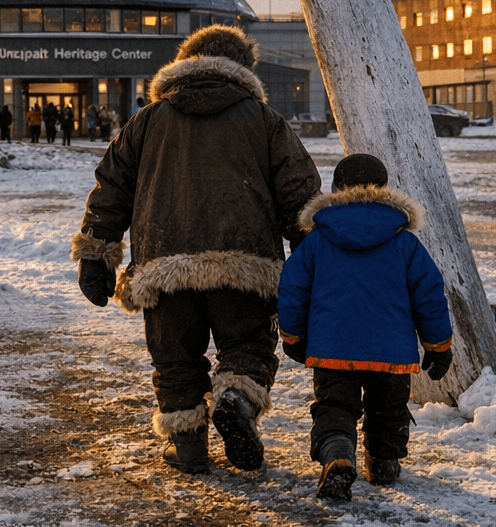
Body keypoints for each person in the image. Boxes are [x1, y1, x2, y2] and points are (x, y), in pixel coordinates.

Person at [71, 25, 321, 475]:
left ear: (185, 62)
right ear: (243, 68)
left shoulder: (146, 121)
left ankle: (187, 445)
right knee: (247, 346)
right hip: (245, 266)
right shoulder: (264, 120)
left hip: (163, 264)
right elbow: (300, 194)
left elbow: (112, 187)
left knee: (174, 356)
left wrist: (97, 253)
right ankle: (237, 399)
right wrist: (311, 257)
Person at [277, 154, 453, 501]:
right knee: (388, 408)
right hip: (391, 351)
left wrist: (292, 336)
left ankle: (338, 453)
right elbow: (429, 294)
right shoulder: (404, 241)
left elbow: (292, 289)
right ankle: (383, 463)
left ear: (336, 188)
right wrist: (438, 345)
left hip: (332, 349)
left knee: (335, 407)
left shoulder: (317, 239)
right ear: (384, 189)